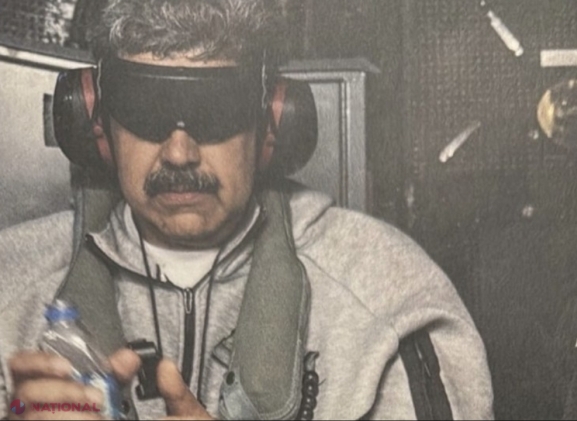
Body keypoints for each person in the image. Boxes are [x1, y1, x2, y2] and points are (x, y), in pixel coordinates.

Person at [0, 1, 493, 419]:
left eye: (215, 111)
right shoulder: (11, 284)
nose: (179, 153)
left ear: (273, 123)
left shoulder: (389, 294)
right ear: (95, 122)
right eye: (146, 110)